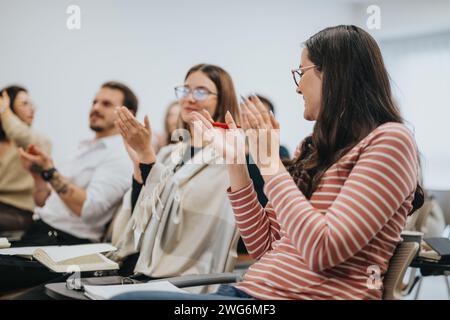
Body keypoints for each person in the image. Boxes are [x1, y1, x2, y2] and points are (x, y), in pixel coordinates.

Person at [113, 25, 424, 300]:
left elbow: (324, 250)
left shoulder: (391, 141)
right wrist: (236, 161)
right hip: (247, 291)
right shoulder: (312, 148)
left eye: (301, 72)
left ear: (333, 74)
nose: (297, 86)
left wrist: (269, 163)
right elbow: (263, 246)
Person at [108, 64, 242, 293]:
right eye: (185, 89)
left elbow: (177, 221)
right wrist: (140, 167)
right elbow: (142, 214)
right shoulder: (170, 153)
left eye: (200, 91)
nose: (189, 98)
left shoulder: (231, 158)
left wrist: (148, 159)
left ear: (223, 100)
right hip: (137, 267)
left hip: (182, 278)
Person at [0, 81, 137, 293]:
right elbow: (43, 200)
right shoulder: (84, 150)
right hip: (40, 232)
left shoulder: (119, 156)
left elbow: (88, 210)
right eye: (95, 101)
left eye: (106, 104)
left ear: (128, 113)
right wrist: (38, 176)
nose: (96, 107)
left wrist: (50, 172)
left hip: (65, 246)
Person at [0, 86, 51, 233]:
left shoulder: (40, 141)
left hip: (20, 212)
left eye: (31, 103)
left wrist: (4, 113)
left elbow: (21, 135)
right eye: (25, 104)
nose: (32, 108)